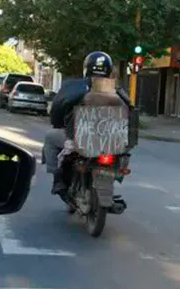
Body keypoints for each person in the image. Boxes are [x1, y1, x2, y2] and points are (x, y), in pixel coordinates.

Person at [44, 51, 132, 194]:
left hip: (80, 141)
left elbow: (57, 110)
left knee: (50, 137)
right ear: (109, 71)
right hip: (111, 143)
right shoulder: (118, 91)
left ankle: (58, 178)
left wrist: (58, 123)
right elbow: (131, 114)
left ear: (86, 68)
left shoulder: (73, 86)